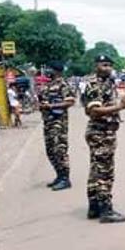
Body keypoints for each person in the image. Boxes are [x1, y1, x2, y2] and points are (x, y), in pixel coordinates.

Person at [83, 55, 125, 222]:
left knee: (96, 171)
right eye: (104, 65)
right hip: (100, 133)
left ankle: (94, 207)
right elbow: (94, 111)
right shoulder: (94, 84)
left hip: (105, 132)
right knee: (105, 172)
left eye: (110, 65)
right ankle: (106, 210)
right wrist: (120, 106)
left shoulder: (107, 83)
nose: (108, 68)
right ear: (96, 66)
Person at [38, 62, 76, 191]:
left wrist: (50, 106)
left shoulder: (63, 85)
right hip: (48, 122)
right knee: (50, 151)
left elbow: (70, 101)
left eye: (50, 69)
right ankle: (59, 175)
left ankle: (65, 179)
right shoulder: (48, 85)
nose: (47, 71)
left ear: (57, 71)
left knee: (59, 150)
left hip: (58, 123)